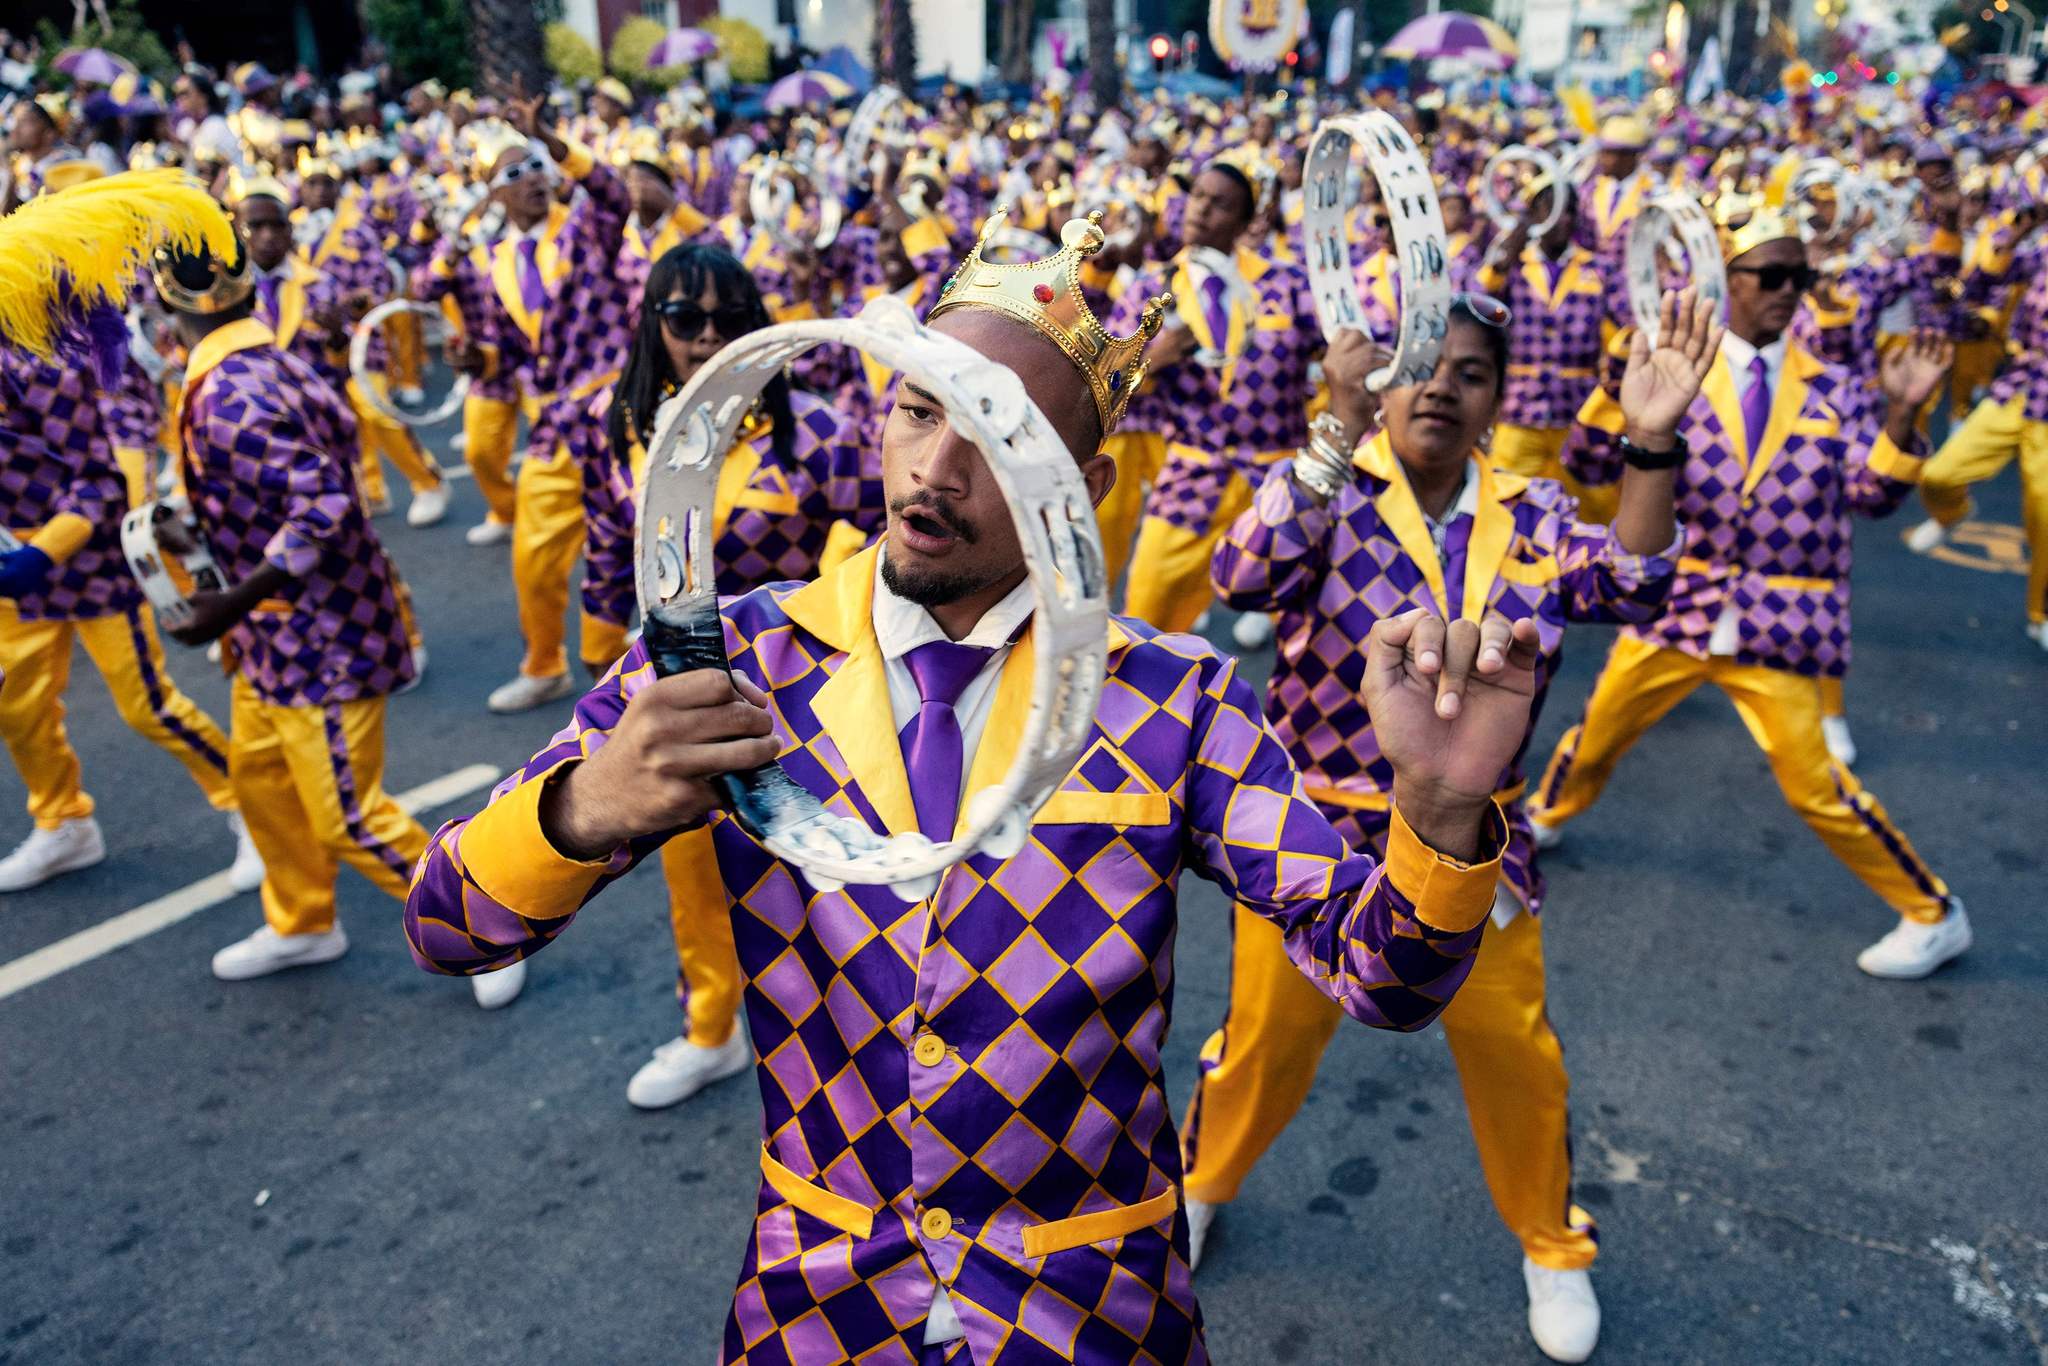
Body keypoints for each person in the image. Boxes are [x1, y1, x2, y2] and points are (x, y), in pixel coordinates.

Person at [404, 215, 1547, 1363]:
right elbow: (449, 926)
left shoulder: (1172, 699)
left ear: (1081, 488)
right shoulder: (734, 662)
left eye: (1000, 437)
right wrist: (583, 809)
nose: (936, 469)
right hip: (817, 1301)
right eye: (917, 409)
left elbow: (1382, 979)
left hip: (1094, 1305)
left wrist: (1439, 813)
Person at [1177, 290, 1710, 1364]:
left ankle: (1552, 1243)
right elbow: (1242, 574)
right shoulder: (1330, 484)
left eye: (1470, 372)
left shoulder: (1535, 511)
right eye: (1422, 366)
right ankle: (1196, 1186)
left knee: (1516, 1053)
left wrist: (1649, 442)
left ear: (1497, 399)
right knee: (1261, 1047)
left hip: (1472, 841)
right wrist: (1334, 423)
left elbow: (1635, 583)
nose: (1441, 388)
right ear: (1382, 382)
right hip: (1316, 841)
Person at [1531, 198, 1971, 980]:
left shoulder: (1835, 386)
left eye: (1800, 276)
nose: (1789, 289)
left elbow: (1872, 496)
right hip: (1677, 611)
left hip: (1778, 624)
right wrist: (1612, 388)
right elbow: (1589, 466)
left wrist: (1904, 416)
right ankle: (1545, 814)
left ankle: (1934, 913)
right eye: (1771, 274)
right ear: (1723, 278)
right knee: (1595, 737)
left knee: (1819, 790)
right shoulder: (1677, 371)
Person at [151, 234, 517, 1007]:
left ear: (162, 302)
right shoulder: (257, 361)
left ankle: (484, 927)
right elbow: (288, 483)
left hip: (318, 637)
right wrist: (201, 536)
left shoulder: (231, 387)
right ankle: (303, 921)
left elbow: (323, 503)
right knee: (262, 782)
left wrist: (232, 599)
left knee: (348, 816)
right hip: (275, 636)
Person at [572, 243, 882, 1108]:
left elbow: (887, 541)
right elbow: (607, 544)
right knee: (697, 880)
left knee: (827, 879)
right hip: (676, 697)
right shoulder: (617, 423)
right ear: (653, 323)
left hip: (802, 698)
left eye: (730, 319)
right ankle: (710, 1030)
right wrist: (602, 659)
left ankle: (857, 1046)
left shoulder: (815, 430)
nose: (707, 336)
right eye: (685, 318)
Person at [446, 101, 638, 714]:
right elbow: (506, 351)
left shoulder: (584, 228)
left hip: (619, 418)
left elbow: (614, 196)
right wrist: (477, 359)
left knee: (647, 549)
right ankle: (545, 665)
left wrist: (552, 140)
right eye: (513, 172)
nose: (530, 177)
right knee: (533, 557)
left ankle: (633, 667)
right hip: (555, 428)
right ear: (492, 194)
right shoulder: (492, 261)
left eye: (534, 166)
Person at [1112, 149, 1322, 634]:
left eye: (1221, 204)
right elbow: (1106, 385)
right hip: (1193, 475)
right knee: (1143, 616)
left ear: (1247, 222)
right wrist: (1155, 358)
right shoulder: (1151, 288)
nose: (1202, 210)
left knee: (1309, 623)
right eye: (1198, 197)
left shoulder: (1287, 284)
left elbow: (1342, 347)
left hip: (1278, 480)